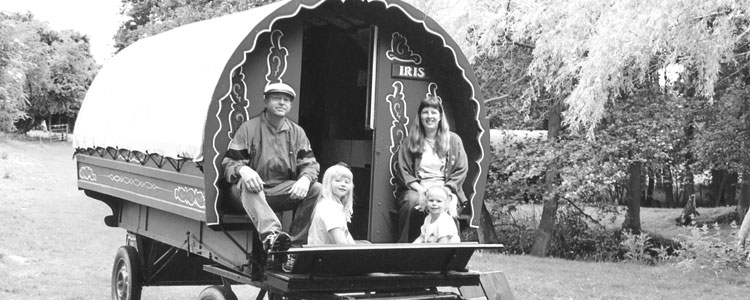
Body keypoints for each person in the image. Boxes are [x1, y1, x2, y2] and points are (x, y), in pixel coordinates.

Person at [222, 82, 321, 256]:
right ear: (266, 101)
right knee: (248, 183)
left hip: (278, 191)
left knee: (316, 189)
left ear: (290, 105)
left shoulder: (297, 132)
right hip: (246, 195)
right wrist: (244, 171)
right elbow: (229, 164)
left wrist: (305, 179)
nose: (282, 102)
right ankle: (272, 237)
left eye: (286, 100)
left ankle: (294, 246)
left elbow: (310, 165)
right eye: (276, 98)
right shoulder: (249, 128)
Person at [395, 95, 468, 243]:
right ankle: (405, 250)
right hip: (419, 188)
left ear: (440, 116)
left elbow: (461, 169)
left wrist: (446, 190)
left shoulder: (453, 140)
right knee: (411, 202)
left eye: (433, 112)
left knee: (448, 206)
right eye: (425, 112)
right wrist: (421, 190)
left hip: (446, 188)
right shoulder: (410, 141)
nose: (429, 116)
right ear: (420, 116)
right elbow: (404, 171)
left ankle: (451, 255)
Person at [307, 163, 356, 246]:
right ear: (328, 184)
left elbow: (347, 238)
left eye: (347, 182)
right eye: (338, 180)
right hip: (323, 256)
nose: (343, 184)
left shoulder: (336, 205)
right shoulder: (329, 207)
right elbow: (340, 242)